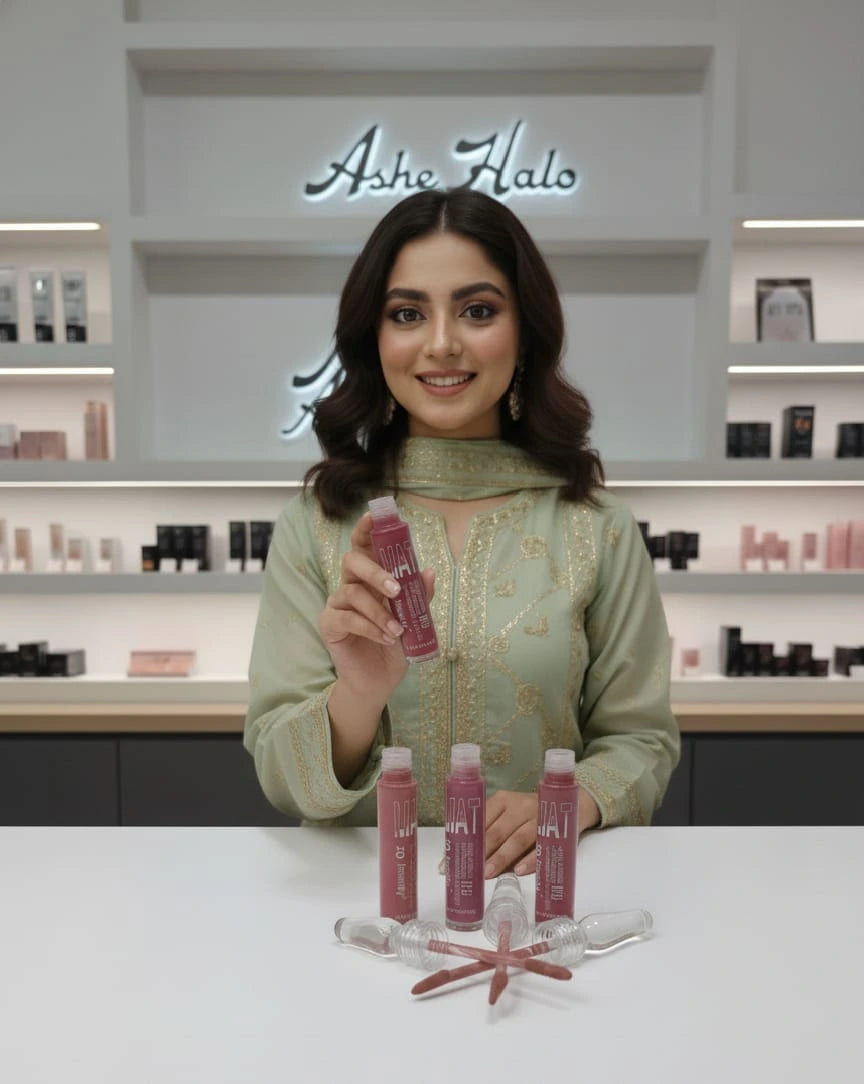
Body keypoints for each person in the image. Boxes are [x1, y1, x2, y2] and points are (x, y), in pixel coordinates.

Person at [244, 187, 679, 878]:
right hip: (356, 905)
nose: (442, 343)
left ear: (526, 334)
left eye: (477, 310)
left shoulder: (596, 528)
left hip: (541, 898)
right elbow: (281, 778)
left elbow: (639, 738)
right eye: (407, 313)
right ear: (375, 338)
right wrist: (358, 692)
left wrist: (574, 800)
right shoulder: (320, 526)